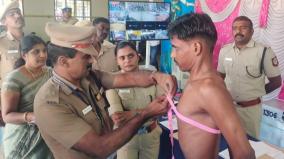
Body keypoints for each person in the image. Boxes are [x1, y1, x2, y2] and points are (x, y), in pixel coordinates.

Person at [34, 22, 176, 159]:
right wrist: (146, 113)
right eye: (86, 57)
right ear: (63, 61)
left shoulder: (89, 77)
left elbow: (127, 79)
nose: (92, 61)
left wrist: (157, 76)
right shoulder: (50, 104)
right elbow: (100, 148)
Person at [167, 13, 255, 159]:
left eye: (176, 48)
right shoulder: (198, 81)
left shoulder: (208, 88)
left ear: (196, 48)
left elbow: (244, 152)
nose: (172, 55)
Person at [217, 16, 282, 139]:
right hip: (227, 108)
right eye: (235, 28)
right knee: (227, 142)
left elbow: (276, 82)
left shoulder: (264, 52)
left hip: (250, 111)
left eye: (244, 28)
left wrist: (254, 94)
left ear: (252, 31)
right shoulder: (225, 51)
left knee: (249, 145)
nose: (238, 31)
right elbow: (220, 76)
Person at [106, 41, 163, 159]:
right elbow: (118, 118)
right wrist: (149, 111)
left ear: (138, 56)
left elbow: (161, 108)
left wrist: (132, 113)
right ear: (117, 61)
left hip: (151, 136)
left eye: (130, 56)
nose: (127, 60)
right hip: (126, 138)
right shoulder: (111, 83)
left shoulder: (152, 77)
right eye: (122, 58)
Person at [1, 34, 53, 158]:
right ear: (24, 55)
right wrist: (32, 117)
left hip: (46, 134)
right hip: (22, 137)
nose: (43, 55)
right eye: (36, 52)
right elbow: (7, 116)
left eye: (44, 51)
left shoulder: (51, 73)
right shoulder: (14, 79)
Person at [0, 0, 25, 127]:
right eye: (12, 14)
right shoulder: (1, 44)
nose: (17, 15)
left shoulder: (31, 41)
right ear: (4, 22)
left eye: (18, 12)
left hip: (32, 97)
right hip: (10, 100)